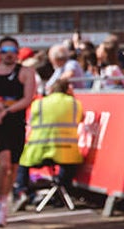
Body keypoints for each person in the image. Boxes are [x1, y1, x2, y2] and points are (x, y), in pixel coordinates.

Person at [16, 76, 84, 208]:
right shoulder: (75, 103)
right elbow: (81, 118)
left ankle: (21, 192)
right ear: (67, 90)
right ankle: (61, 191)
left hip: (38, 150)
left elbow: (31, 122)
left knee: (22, 163)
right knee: (70, 166)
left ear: (51, 90)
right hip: (65, 152)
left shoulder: (39, 103)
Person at [0, 36, 37, 226]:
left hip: (15, 123)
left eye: (12, 50)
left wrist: (6, 110)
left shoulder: (25, 72)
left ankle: (4, 202)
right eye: (5, 51)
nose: (9, 54)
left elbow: (28, 98)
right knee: (3, 165)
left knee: (12, 167)